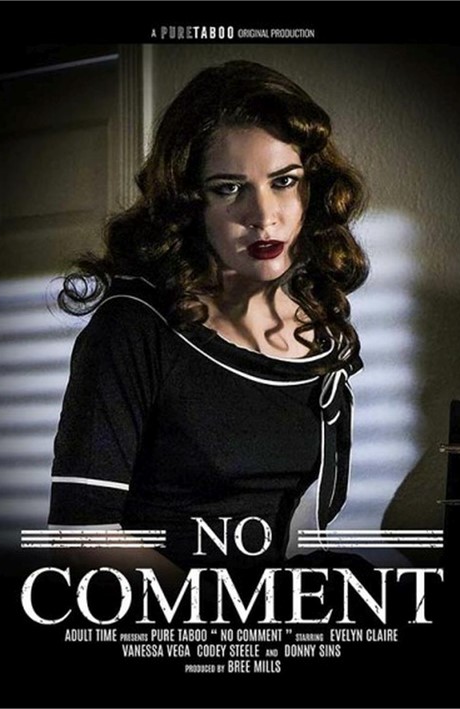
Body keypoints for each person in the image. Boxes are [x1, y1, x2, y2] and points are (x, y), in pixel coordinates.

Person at [48, 60, 369, 586]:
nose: (263, 215)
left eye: (284, 181)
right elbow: (82, 537)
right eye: (229, 188)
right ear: (188, 201)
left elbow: (299, 525)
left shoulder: (319, 329)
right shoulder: (134, 329)